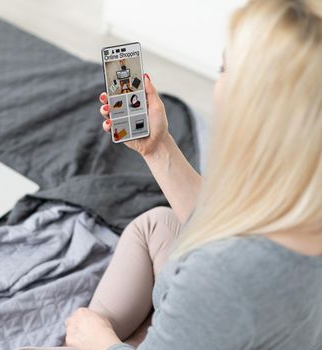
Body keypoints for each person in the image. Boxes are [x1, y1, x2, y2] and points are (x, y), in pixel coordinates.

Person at [64, 0, 322, 349]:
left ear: (254, 103)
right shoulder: (297, 190)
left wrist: (96, 340)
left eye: (224, 68)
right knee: (158, 222)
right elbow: (221, 224)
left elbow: (226, 267)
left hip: (216, 307)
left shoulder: (221, 275)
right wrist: (157, 147)